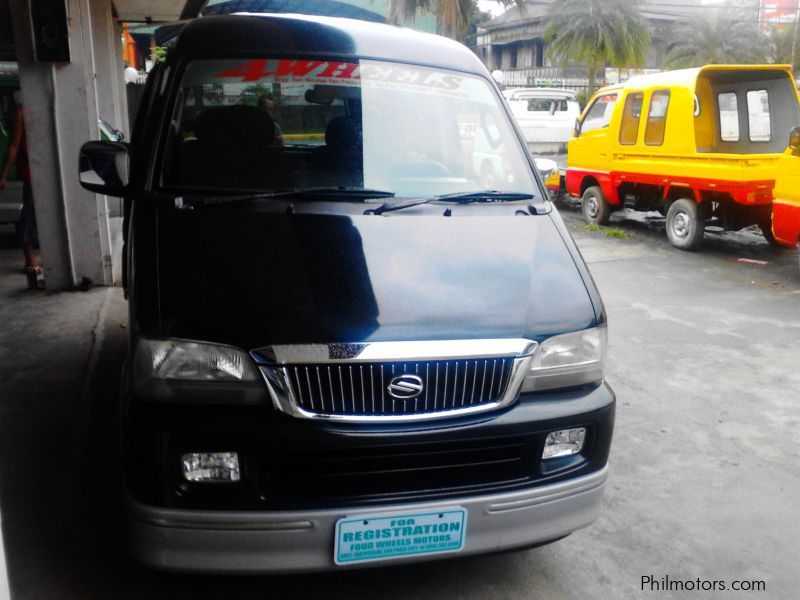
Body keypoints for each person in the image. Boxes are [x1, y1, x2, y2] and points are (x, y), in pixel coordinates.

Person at [0, 93, 41, 287]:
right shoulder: (22, 114)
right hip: (31, 173)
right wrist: (4, 174)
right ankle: (30, 259)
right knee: (29, 215)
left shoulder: (46, 111)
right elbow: (14, 146)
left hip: (48, 173)